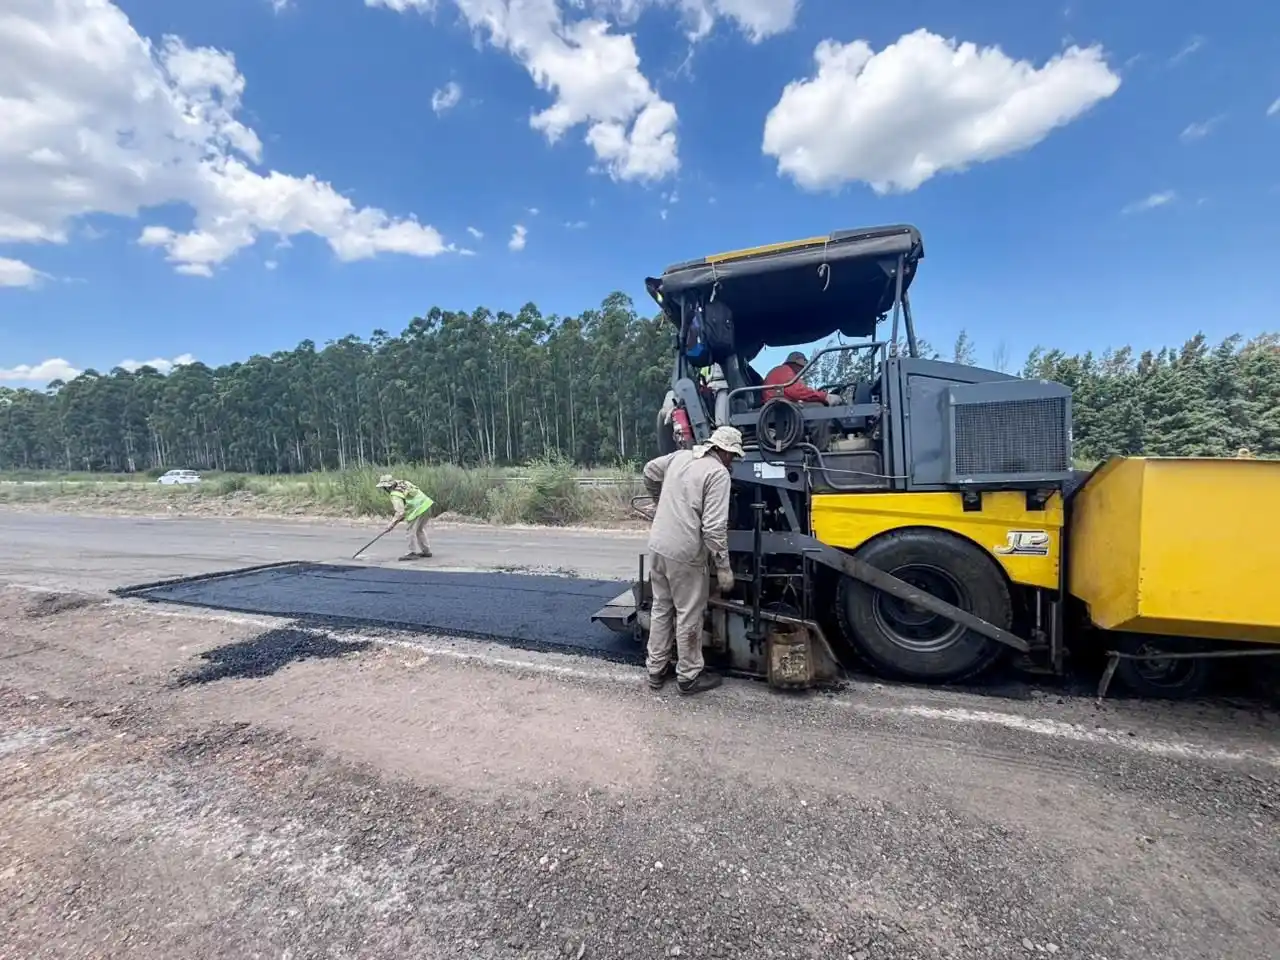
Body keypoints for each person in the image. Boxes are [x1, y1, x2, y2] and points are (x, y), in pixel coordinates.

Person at [641, 425, 744, 695]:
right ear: (722, 451)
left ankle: (655, 670)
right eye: (733, 455)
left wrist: (659, 500)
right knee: (689, 613)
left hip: (658, 545)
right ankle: (688, 676)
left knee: (662, 608)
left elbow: (649, 470)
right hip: (685, 553)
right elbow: (713, 528)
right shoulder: (718, 473)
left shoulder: (680, 456)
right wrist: (723, 567)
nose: (732, 461)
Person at [375, 474, 435, 560]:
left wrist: (391, 524)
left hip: (417, 509)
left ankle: (411, 552)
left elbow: (400, 512)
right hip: (427, 504)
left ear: (387, 487)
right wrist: (399, 519)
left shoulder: (395, 495)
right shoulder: (403, 482)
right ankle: (426, 551)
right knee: (419, 529)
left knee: (410, 530)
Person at [763, 351, 834, 405]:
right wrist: (825, 396)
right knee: (818, 407)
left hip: (781, 404)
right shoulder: (784, 370)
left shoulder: (785, 371)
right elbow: (797, 391)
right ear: (797, 361)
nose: (803, 371)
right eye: (803, 367)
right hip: (777, 407)